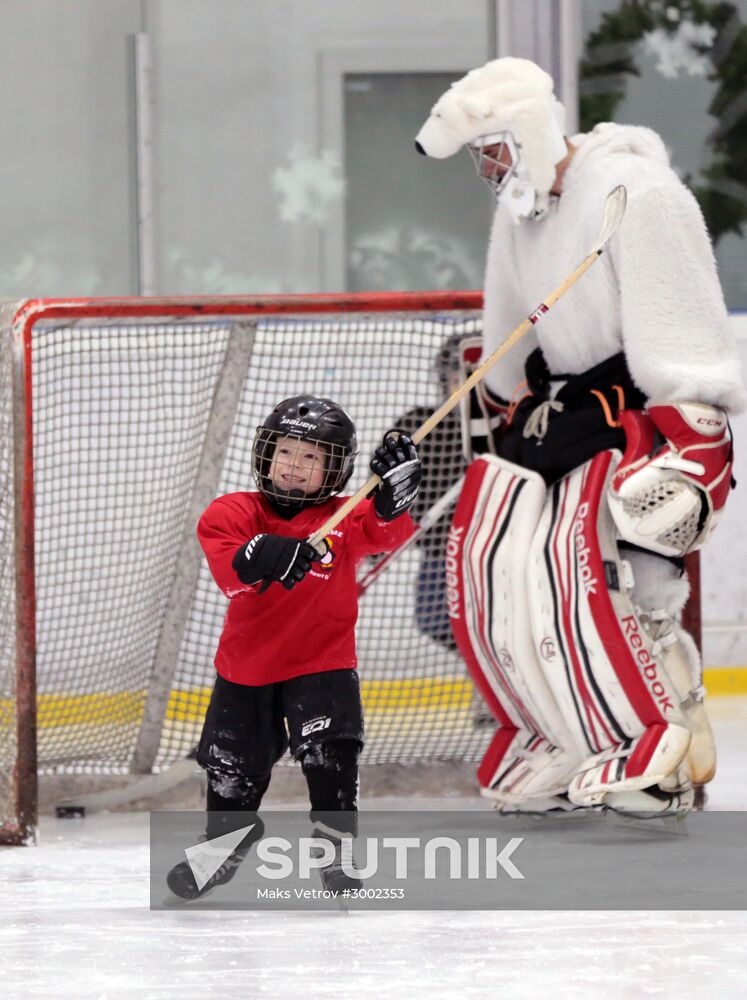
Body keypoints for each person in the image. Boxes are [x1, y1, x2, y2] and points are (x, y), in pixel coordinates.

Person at [415, 57, 744, 815]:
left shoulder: (638, 193)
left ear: (528, 130)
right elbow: (506, 335)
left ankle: (663, 754)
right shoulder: (521, 210)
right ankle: (575, 739)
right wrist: (502, 402)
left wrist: (692, 437)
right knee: (533, 584)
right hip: (564, 413)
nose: (488, 167)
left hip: (634, 406)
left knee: (636, 587)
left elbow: (685, 325)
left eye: (493, 147)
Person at [167, 395, 420, 898]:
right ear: (265, 452)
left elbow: (385, 532)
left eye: (311, 458)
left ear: (334, 470)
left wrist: (394, 500)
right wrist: (263, 555)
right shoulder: (234, 510)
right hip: (246, 668)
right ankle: (224, 844)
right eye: (286, 452)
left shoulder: (344, 517)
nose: (294, 467)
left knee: (332, 757)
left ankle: (336, 850)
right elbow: (232, 571)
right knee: (231, 770)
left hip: (322, 661)